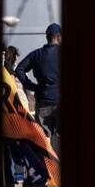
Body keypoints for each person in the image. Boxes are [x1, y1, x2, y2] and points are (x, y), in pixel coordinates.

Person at [14, 23, 62, 152]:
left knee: (44, 140)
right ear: (58, 37)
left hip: (43, 101)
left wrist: (32, 86)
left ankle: (48, 170)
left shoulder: (36, 55)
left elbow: (19, 70)